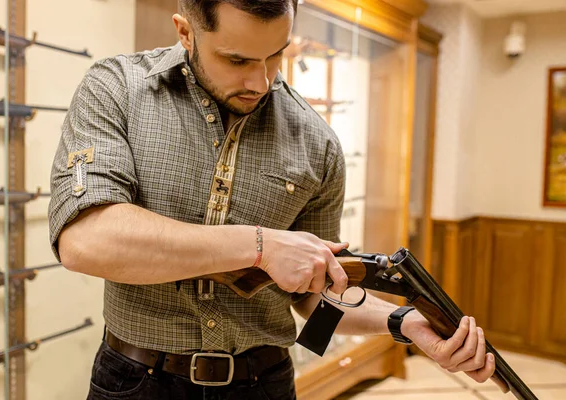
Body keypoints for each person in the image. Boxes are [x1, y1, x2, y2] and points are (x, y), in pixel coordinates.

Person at [48, 1, 499, 399]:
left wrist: (405, 324)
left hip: (263, 384)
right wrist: (261, 245)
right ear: (185, 31)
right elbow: (84, 240)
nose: (261, 81)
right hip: (134, 380)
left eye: (277, 54)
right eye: (237, 59)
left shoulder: (317, 142)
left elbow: (316, 301)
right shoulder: (116, 89)